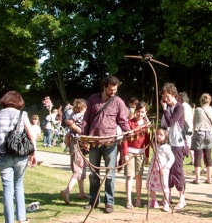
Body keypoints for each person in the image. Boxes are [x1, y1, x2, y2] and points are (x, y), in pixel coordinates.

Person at [81, 75, 131, 214]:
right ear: (104, 87)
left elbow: (123, 121)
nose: (113, 92)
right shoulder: (93, 99)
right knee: (93, 174)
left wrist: (129, 132)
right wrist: (85, 138)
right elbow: (86, 119)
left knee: (110, 174)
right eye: (110, 89)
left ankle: (109, 203)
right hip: (94, 142)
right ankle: (93, 201)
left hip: (110, 142)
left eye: (115, 89)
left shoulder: (118, 102)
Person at [0, 91, 37, 223]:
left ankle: (9, 220)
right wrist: (34, 153)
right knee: (19, 185)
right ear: (19, 102)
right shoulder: (23, 114)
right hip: (20, 154)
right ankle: (22, 218)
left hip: (3, 155)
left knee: (7, 189)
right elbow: (31, 135)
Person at [160, 82, 187, 210]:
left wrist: (165, 109)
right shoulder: (168, 108)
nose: (166, 99)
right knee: (168, 170)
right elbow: (164, 125)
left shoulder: (179, 107)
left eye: (168, 96)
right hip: (169, 143)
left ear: (174, 94)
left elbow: (171, 122)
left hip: (178, 143)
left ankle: (182, 198)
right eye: (165, 96)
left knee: (177, 169)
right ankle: (168, 195)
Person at [60, 98, 89, 204]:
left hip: (74, 144)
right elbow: (82, 131)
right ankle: (67, 191)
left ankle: (82, 192)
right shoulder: (82, 118)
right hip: (78, 144)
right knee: (79, 169)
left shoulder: (73, 116)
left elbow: (69, 133)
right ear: (84, 107)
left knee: (81, 167)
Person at [122, 101, 150, 209]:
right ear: (135, 111)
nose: (140, 114)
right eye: (138, 111)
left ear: (145, 112)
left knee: (139, 176)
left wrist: (147, 155)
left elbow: (147, 141)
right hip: (130, 151)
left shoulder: (146, 125)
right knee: (130, 176)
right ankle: (128, 200)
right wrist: (125, 154)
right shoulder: (129, 123)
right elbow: (125, 139)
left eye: (142, 112)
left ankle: (138, 200)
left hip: (141, 153)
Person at [146, 127, 175, 212]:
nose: (158, 136)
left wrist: (165, 167)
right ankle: (153, 201)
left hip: (162, 170)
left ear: (165, 136)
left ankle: (166, 203)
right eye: (157, 134)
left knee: (164, 186)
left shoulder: (167, 147)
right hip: (153, 168)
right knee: (151, 184)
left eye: (161, 135)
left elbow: (172, 158)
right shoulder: (155, 144)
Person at [191, 93, 212, 184]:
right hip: (209, 133)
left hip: (199, 132)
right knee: (208, 156)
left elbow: (194, 122)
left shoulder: (198, 110)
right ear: (210, 100)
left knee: (198, 156)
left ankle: (197, 179)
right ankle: (209, 178)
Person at [178, 92, 194, 165]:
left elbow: (183, 116)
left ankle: (193, 159)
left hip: (186, 127)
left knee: (187, 143)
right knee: (188, 142)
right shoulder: (188, 106)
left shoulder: (183, 106)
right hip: (189, 126)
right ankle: (193, 159)